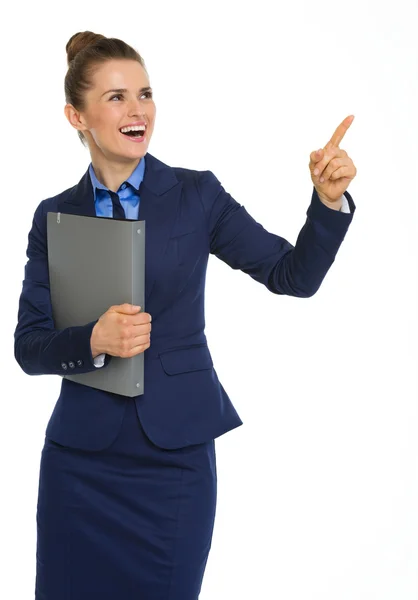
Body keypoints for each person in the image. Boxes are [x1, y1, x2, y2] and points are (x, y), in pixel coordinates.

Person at [14, 31, 357, 600]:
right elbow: (29, 346)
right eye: (118, 97)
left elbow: (292, 276)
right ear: (77, 116)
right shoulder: (54, 215)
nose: (138, 110)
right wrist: (92, 338)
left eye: (145, 94)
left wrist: (326, 203)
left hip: (173, 463)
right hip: (79, 466)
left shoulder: (198, 196)